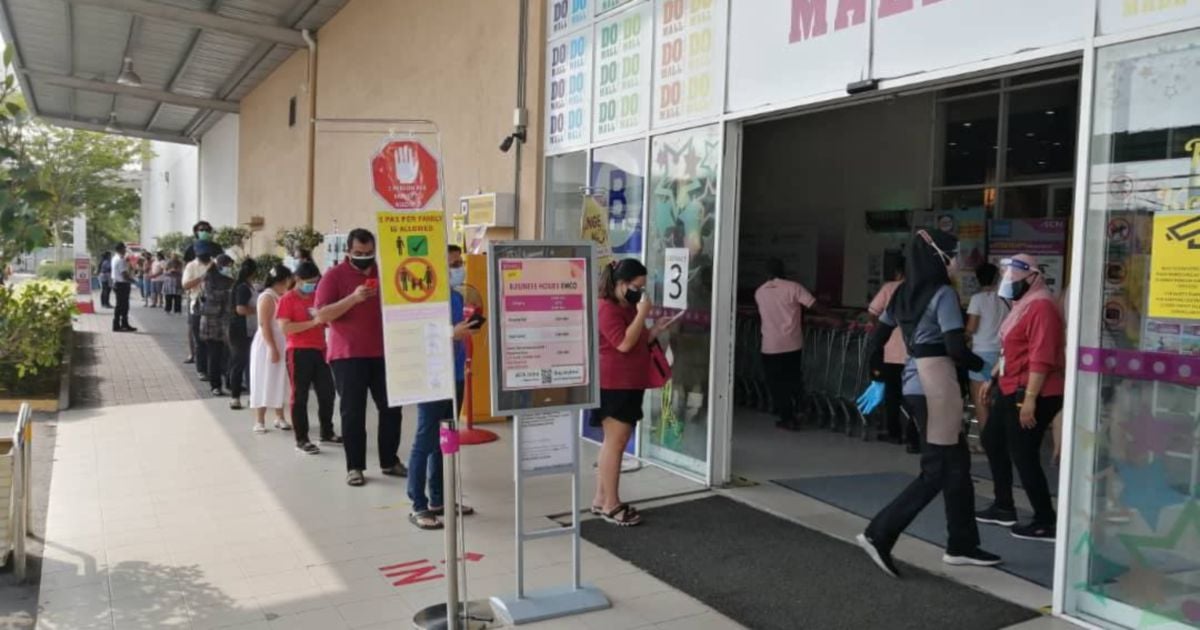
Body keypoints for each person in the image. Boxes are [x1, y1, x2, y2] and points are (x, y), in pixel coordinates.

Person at [855, 229, 1000, 576]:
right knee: (936, 469)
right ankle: (879, 533)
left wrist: (877, 378)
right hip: (938, 385)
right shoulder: (943, 295)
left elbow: (877, 340)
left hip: (912, 381)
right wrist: (987, 368)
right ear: (937, 257)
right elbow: (954, 348)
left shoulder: (903, 293)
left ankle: (962, 544)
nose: (956, 262)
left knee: (958, 465)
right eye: (951, 254)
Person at [976, 254, 1065, 542]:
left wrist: (1030, 399)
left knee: (1023, 454)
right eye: (1007, 278)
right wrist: (993, 377)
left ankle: (1045, 520)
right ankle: (1004, 505)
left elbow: (1042, 357)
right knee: (992, 439)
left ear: (1033, 278)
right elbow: (1013, 348)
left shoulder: (1042, 307)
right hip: (1010, 385)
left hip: (1034, 390)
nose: (1009, 283)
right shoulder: (1022, 306)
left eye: (1014, 279)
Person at [315, 229, 406, 487]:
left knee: (391, 408)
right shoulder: (334, 277)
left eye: (369, 254)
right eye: (358, 254)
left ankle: (389, 460)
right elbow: (322, 316)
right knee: (352, 412)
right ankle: (355, 466)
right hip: (348, 355)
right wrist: (353, 299)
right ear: (348, 251)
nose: (364, 258)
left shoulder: (386, 272)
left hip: (385, 353)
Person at [591, 258, 673, 527]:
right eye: (636, 286)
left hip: (629, 381)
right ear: (620, 283)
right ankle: (611, 504)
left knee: (612, 442)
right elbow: (623, 343)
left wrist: (654, 330)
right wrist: (642, 314)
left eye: (642, 287)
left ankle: (601, 498)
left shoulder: (624, 306)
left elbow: (638, 339)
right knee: (615, 443)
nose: (639, 292)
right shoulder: (606, 309)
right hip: (614, 384)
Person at [408, 247, 477, 530]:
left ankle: (439, 498)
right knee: (426, 439)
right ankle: (418, 504)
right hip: (431, 376)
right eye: (453, 264)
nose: (458, 268)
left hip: (455, 375)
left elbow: (459, 334)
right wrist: (452, 333)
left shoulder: (458, 296)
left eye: (460, 263)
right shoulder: (423, 298)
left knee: (446, 439)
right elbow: (416, 334)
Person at [277, 262, 341, 453]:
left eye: (315, 282)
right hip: (298, 351)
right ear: (297, 279)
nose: (312, 286)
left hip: (320, 349)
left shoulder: (316, 297)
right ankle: (302, 438)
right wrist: (313, 322)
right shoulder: (287, 299)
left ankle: (327, 432)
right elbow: (285, 328)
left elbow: (326, 320)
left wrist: (326, 319)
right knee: (300, 396)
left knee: (327, 392)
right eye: (309, 282)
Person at [754, 258, 817, 431]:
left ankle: (787, 417)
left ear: (766, 273)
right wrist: (836, 318)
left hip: (770, 346)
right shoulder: (793, 287)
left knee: (776, 384)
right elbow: (814, 305)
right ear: (783, 270)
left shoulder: (759, 292)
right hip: (792, 345)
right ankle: (802, 407)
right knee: (793, 379)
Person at [868, 261, 917, 451]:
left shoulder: (889, 288)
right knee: (915, 396)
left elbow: (873, 312)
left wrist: (877, 330)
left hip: (891, 351)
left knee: (892, 395)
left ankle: (894, 432)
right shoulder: (919, 289)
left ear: (898, 273)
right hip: (913, 353)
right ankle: (913, 437)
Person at [965, 262, 1009, 440]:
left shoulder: (977, 299)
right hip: (1001, 355)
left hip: (980, 354)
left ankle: (988, 441)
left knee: (981, 400)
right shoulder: (1005, 299)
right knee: (997, 399)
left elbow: (972, 328)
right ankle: (1001, 438)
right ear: (997, 278)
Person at [249, 265, 292, 433]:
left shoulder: (281, 296)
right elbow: (264, 325)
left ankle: (280, 416)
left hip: (281, 342)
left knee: (279, 379)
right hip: (267, 344)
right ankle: (259, 420)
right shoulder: (267, 297)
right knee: (263, 378)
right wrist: (272, 348)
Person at [200, 255, 236, 396]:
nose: (230, 269)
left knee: (228, 354)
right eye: (228, 266)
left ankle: (229, 381)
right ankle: (215, 385)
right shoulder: (208, 278)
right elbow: (210, 296)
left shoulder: (230, 280)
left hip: (226, 321)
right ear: (221, 265)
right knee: (214, 355)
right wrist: (229, 292)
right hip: (211, 321)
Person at [227, 259, 258, 410]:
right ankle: (235, 397)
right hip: (240, 330)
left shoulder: (248, 286)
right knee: (239, 363)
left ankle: (252, 396)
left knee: (249, 363)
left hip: (249, 329)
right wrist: (259, 310)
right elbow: (240, 309)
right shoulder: (242, 288)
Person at [183, 243, 216, 368]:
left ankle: (211, 366)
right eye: (203, 255)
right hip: (197, 304)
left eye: (207, 254)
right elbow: (185, 285)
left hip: (214, 305)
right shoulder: (191, 266)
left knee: (213, 339)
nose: (206, 257)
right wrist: (202, 277)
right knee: (198, 337)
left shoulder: (214, 264)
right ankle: (199, 366)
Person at [111, 244, 136, 332]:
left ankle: (120, 324)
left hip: (117, 283)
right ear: (120, 249)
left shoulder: (114, 258)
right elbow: (124, 274)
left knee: (120, 305)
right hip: (122, 285)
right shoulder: (121, 260)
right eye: (124, 249)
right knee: (123, 306)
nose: (125, 250)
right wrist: (133, 281)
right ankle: (120, 325)